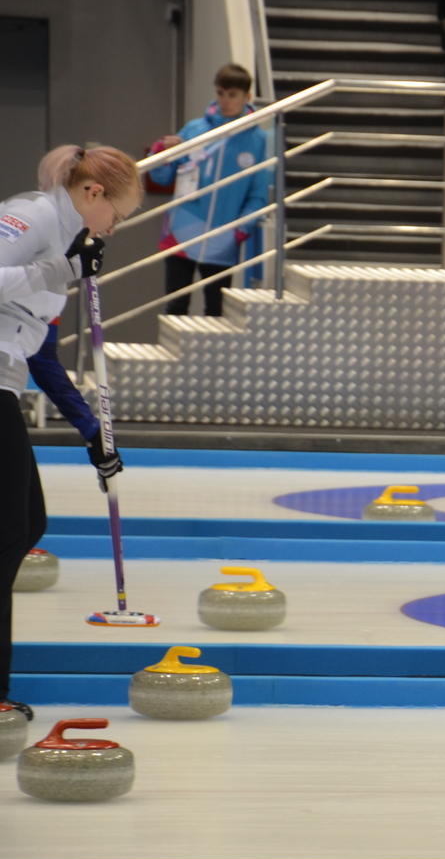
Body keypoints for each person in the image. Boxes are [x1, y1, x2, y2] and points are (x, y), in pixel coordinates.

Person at [1, 145, 141, 719]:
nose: (115, 227)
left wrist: (92, 432)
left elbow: (45, 356)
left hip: (7, 377)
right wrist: (61, 268)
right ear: (92, 195)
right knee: (9, 527)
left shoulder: (65, 240)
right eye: (119, 214)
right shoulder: (34, 215)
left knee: (26, 523)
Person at [145, 64, 270, 318]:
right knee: (176, 309)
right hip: (181, 232)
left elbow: (258, 194)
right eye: (220, 93)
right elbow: (162, 175)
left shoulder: (258, 141)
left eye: (232, 95)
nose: (225, 101)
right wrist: (161, 152)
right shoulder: (194, 130)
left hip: (223, 238)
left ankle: (210, 360)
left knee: (216, 313)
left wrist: (239, 230)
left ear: (247, 97)